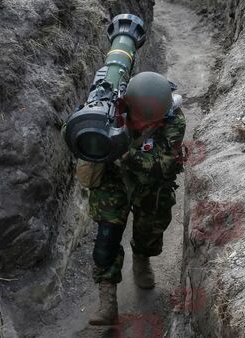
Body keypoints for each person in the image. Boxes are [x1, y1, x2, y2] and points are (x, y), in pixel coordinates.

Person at [78, 71, 186, 325]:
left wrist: (122, 152)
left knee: (150, 229)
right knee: (107, 236)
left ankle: (141, 258)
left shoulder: (173, 120)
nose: (145, 126)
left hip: (151, 183)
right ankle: (107, 300)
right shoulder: (112, 108)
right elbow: (72, 132)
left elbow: (161, 165)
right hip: (113, 180)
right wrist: (87, 120)